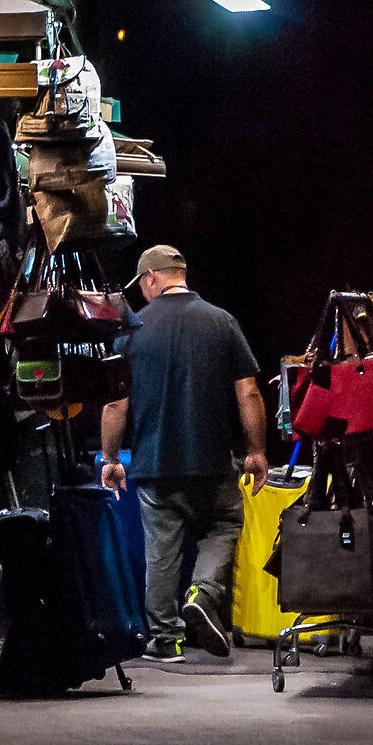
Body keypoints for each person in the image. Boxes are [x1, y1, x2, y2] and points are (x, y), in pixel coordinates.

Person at [99, 245, 269, 661]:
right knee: (224, 525)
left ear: (152, 277)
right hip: (212, 462)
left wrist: (110, 459)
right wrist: (257, 451)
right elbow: (247, 391)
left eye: (142, 284)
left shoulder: (132, 329)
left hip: (156, 464)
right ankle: (203, 592)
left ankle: (164, 641)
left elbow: (114, 403)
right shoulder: (221, 321)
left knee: (161, 550)